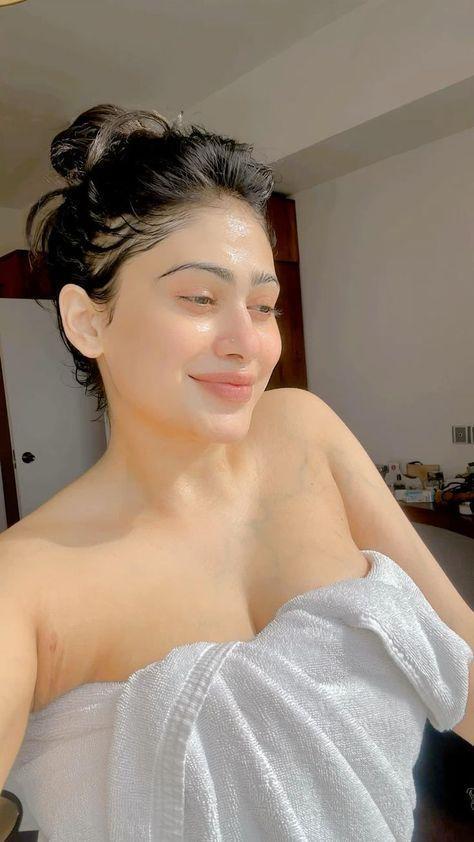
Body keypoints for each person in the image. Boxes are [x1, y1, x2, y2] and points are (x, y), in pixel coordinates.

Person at [1, 104, 472, 841]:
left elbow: (462, 654)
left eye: (263, 304)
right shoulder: (27, 584)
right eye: (199, 298)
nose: (247, 342)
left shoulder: (302, 431)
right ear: (88, 321)